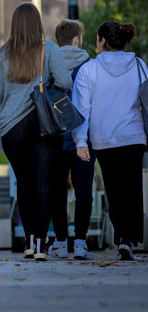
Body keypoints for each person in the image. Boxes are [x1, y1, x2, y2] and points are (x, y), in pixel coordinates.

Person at [0, 3, 72, 262]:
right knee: (44, 182)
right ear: (37, 23)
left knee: (23, 183)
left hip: (12, 129)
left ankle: (28, 241)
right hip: (43, 124)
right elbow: (66, 82)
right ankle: (42, 244)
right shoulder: (50, 49)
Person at [72, 21, 146, 261]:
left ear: (103, 41)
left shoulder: (88, 70)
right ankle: (128, 240)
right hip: (134, 136)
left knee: (114, 189)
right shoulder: (139, 65)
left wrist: (80, 141)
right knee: (132, 187)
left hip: (104, 139)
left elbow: (81, 109)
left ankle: (122, 235)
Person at [48, 19, 95, 260]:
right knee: (83, 190)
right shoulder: (89, 66)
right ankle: (80, 242)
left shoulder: (49, 64)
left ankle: (59, 241)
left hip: (54, 137)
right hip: (83, 138)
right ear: (77, 40)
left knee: (57, 191)